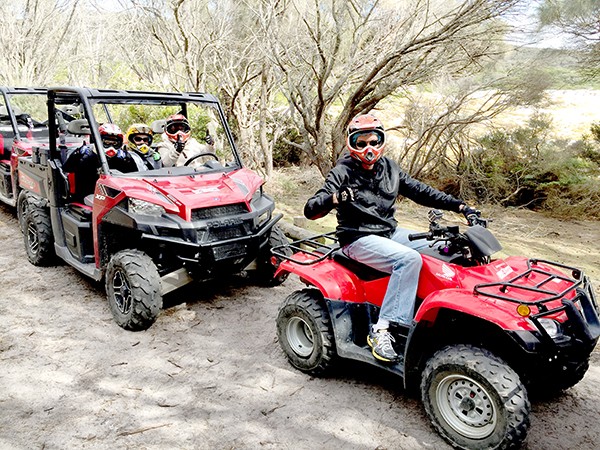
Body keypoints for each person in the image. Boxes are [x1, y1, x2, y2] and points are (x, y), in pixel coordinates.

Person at [304, 114, 479, 363]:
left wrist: (460, 206)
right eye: (361, 143)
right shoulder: (342, 171)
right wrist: (333, 199)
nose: (369, 149)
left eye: (374, 142)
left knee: (446, 247)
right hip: (357, 239)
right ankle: (382, 329)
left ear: (381, 141)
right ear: (351, 144)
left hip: (389, 233)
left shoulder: (390, 168)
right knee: (408, 260)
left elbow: (421, 191)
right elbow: (310, 209)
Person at [63, 123, 137, 201]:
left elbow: (135, 177)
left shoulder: (124, 157)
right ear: (97, 140)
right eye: (107, 142)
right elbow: (67, 169)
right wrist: (81, 156)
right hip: (87, 196)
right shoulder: (84, 153)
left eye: (115, 143)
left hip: (116, 197)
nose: (111, 147)